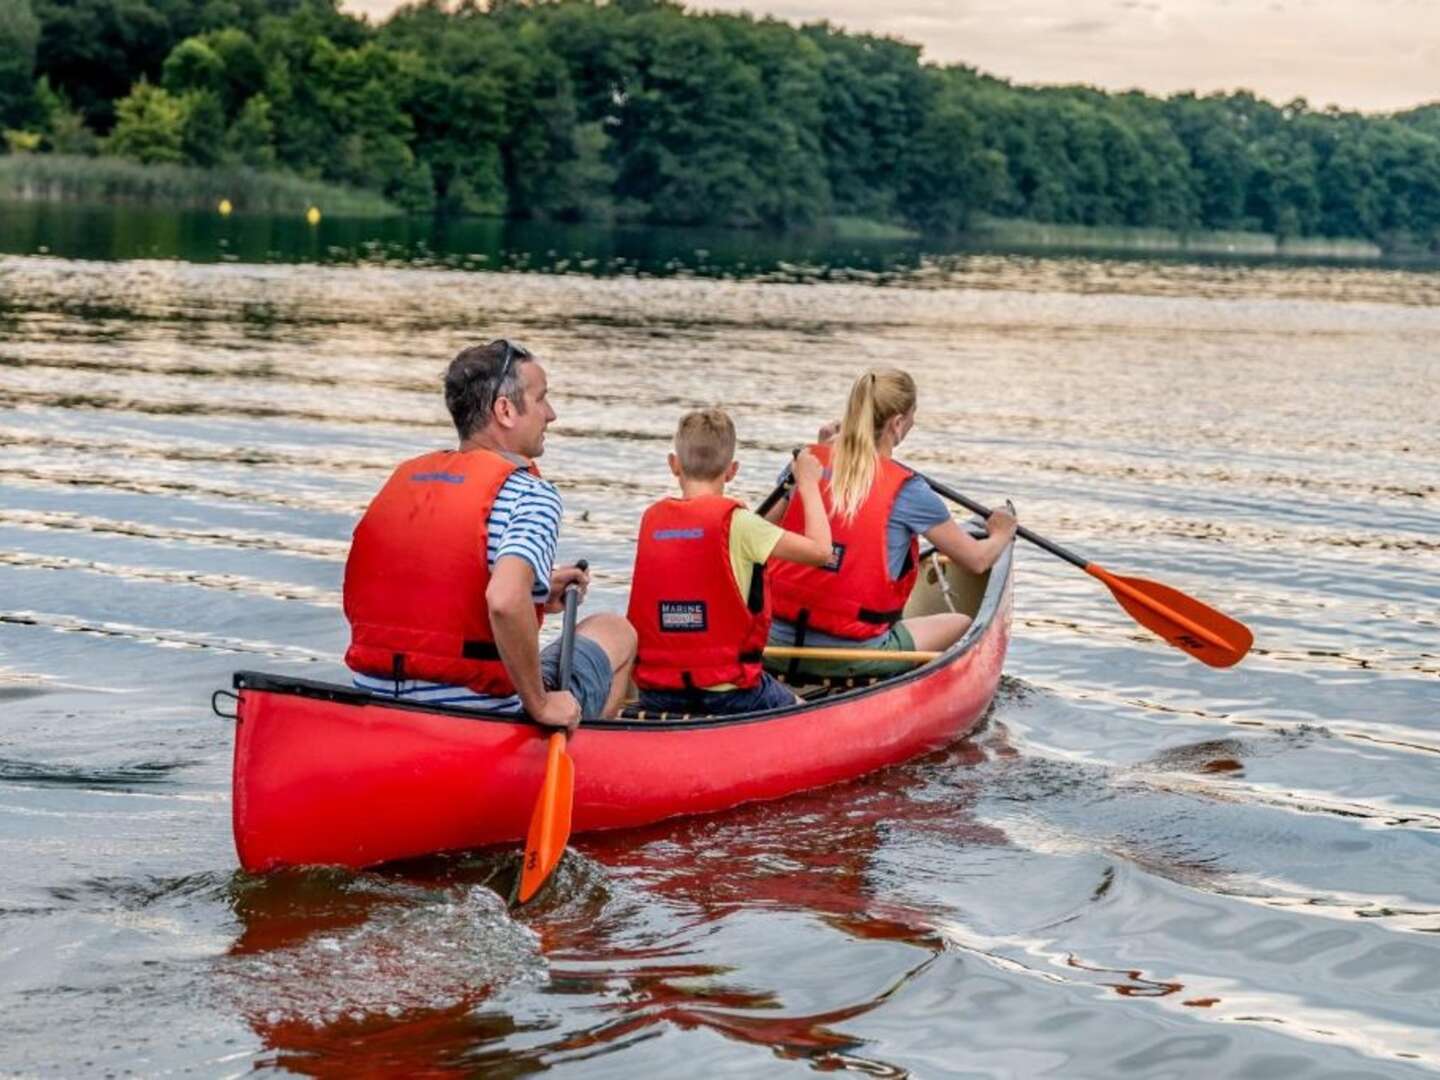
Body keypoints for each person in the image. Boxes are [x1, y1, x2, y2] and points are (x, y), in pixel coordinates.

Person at [342, 339, 636, 731]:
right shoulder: (531, 495)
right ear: (506, 410)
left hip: (379, 704)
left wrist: (537, 589)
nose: (551, 414)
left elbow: (436, 583)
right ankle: (583, 757)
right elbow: (503, 599)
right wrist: (541, 703)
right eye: (541, 399)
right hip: (480, 717)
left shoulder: (405, 480)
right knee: (617, 631)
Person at [765, 367, 1017, 680]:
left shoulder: (803, 468)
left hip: (769, 645)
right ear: (897, 423)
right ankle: (904, 690)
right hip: (851, 655)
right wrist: (1002, 533)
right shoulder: (910, 491)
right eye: (912, 417)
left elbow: (757, 530)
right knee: (960, 623)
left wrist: (823, 450)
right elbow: (977, 560)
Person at [626, 408, 833, 715]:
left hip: (658, 692)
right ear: (732, 470)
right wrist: (808, 484)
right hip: (731, 692)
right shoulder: (741, 523)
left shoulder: (651, 519)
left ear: (674, 464)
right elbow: (820, 551)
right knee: (809, 715)